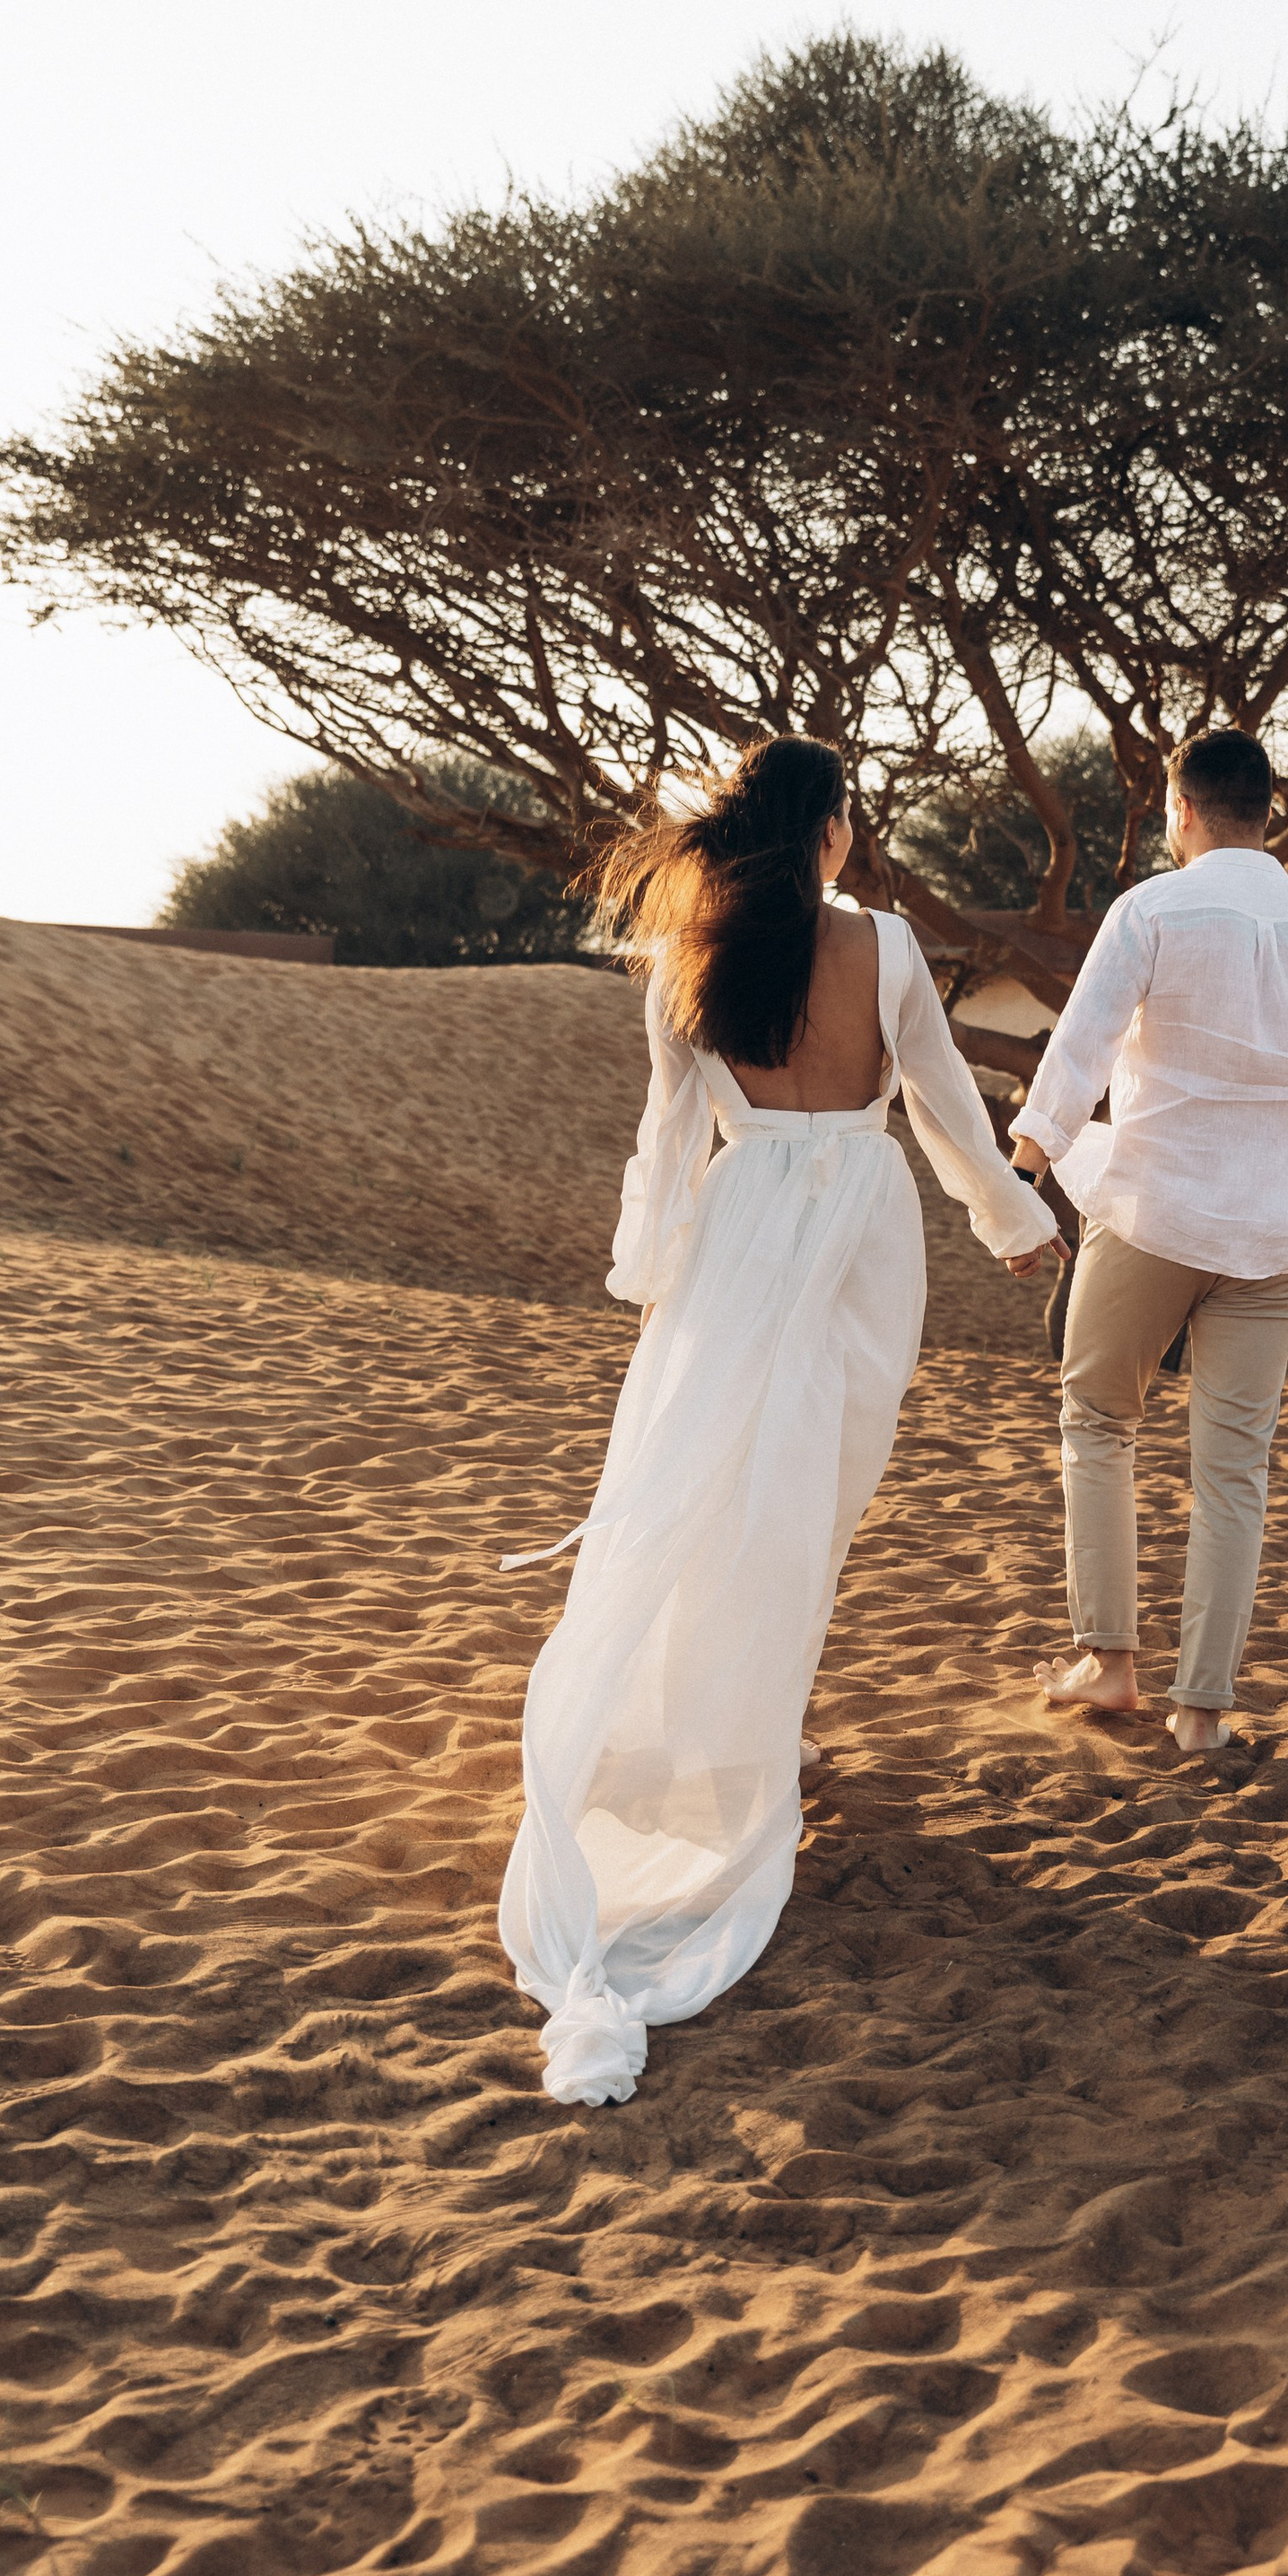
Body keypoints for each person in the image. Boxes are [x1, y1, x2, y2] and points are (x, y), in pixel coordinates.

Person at [498, 738, 1062, 2105]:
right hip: (862, 1229)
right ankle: (765, 1721)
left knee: (713, 1473)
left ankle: (747, 1716)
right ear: (829, 830)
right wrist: (1013, 1223)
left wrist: (651, 1276)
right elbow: (939, 1102)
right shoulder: (885, 945)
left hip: (739, 1226)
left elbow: (667, 1134)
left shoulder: (692, 953)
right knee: (813, 1482)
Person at [1006, 730, 1288, 1753]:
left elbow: (1080, 1047)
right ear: (1266, 812)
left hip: (1154, 1216)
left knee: (1098, 1417)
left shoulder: (1151, 909)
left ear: (1181, 811)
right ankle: (1201, 1713)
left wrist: (1025, 1173)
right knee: (1234, 1469)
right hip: (1277, 1238)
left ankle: (1108, 1662)